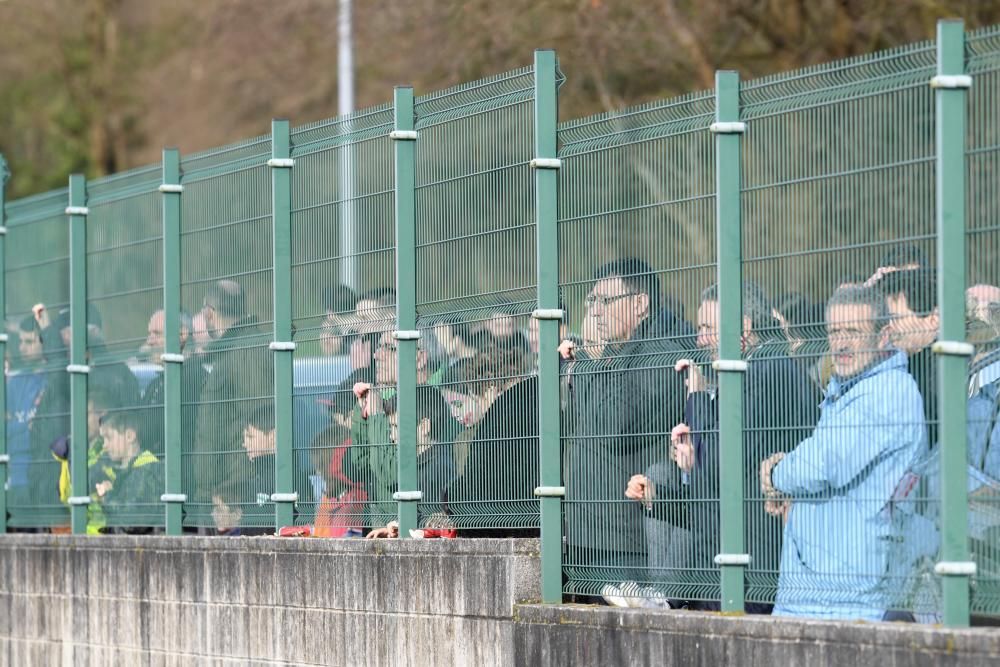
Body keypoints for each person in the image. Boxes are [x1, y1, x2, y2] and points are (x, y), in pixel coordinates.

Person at [623, 282, 819, 610]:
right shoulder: (772, 367)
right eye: (700, 328)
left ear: (743, 325)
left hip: (749, 572)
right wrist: (665, 495)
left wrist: (698, 401)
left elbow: (718, 468)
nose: (700, 339)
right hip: (750, 562)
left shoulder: (759, 375)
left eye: (708, 328)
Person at [759, 285, 927, 621]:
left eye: (854, 331)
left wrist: (776, 474)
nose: (842, 342)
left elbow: (823, 465)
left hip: (848, 598)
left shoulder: (886, 392)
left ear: (884, 336)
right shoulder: (848, 391)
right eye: (835, 331)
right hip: (818, 592)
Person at [561, 258, 686, 603]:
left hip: (624, 544)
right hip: (589, 536)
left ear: (640, 303)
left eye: (605, 301)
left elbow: (615, 428)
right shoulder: (616, 354)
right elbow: (575, 422)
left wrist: (594, 363)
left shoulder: (660, 355)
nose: (596, 313)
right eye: (592, 302)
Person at [344, 329, 458, 533]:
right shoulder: (389, 402)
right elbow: (358, 465)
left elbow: (391, 473)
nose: (377, 355)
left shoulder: (434, 405)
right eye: (378, 347)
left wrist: (377, 416)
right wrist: (363, 416)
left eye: (388, 348)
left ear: (420, 357)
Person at [445, 338, 539, 536]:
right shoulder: (539, 421)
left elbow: (473, 490)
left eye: (475, 397)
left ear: (492, 392)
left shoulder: (475, 438)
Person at [192, 280, 273, 506]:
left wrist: (232, 494)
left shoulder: (246, 351)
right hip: (225, 494)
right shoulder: (235, 351)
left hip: (235, 496)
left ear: (209, 313)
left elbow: (262, 424)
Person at [209, 407, 311, 535]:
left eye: (250, 437)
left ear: (273, 437)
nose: (244, 444)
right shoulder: (255, 480)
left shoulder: (293, 480)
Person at [137, 309, 207, 454]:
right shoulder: (156, 384)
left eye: (156, 334)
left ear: (182, 334)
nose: (149, 341)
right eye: (149, 334)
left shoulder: (195, 381)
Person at [95, 410, 163, 530]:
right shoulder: (128, 472)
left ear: (130, 436)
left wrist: (108, 496)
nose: (104, 445)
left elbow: (133, 523)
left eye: (109, 438)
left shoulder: (146, 472)